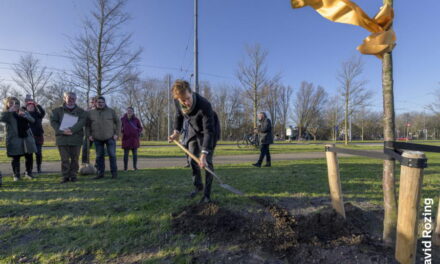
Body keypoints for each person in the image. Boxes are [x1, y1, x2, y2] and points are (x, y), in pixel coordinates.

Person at [168, 80, 220, 203]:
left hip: (209, 130)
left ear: (191, 92)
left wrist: (203, 154)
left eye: (187, 98)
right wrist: (176, 132)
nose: (186, 103)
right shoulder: (178, 101)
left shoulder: (204, 104)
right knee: (192, 160)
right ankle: (198, 186)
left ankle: (207, 195)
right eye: (182, 101)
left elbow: (208, 131)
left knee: (206, 162)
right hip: (194, 130)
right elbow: (179, 115)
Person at [50, 92, 87, 183]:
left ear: (76, 99)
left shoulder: (81, 111)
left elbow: (82, 122)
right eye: (69, 98)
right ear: (64, 98)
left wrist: (71, 130)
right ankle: (65, 176)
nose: (71, 100)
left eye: (73, 98)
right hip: (62, 138)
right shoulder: (56, 111)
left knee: (75, 158)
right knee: (64, 159)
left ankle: (73, 175)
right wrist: (62, 131)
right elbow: (53, 122)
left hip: (76, 138)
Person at [1, 97, 37, 181]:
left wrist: (25, 115)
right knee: (15, 158)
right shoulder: (7, 114)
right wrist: (9, 111)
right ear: (7, 104)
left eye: (16, 103)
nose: (14, 105)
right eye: (11, 103)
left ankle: (28, 173)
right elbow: (1, 118)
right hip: (14, 139)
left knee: (29, 156)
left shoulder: (24, 111)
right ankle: (16, 175)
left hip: (27, 138)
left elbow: (33, 120)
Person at [87, 96, 121, 179]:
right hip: (97, 138)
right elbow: (87, 125)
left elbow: (118, 122)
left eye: (102, 102)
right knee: (99, 157)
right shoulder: (91, 113)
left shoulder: (111, 111)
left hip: (110, 137)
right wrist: (89, 135)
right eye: (99, 102)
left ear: (105, 103)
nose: (100, 104)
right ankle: (100, 174)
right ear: (96, 103)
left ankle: (114, 174)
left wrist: (117, 133)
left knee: (112, 155)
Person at [25, 99, 46, 173]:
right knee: (29, 155)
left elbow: (43, 112)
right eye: (29, 106)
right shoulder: (24, 115)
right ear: (27, 107)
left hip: (38, 136)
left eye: (32, 106)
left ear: (34, 107)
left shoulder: (38, 115)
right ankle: (29, 169)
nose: (30, 107)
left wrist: (37, 105)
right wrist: (25, 106)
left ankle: (39, 168)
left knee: (38, 153)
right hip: (28, 137)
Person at [120, 106, 142, 171]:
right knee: (125, 155)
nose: (129, 112)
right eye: (128, 111)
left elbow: (140, 128)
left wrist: (138, 132)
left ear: (133, 112)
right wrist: (122, 131)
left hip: (134, 139)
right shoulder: (122, 119)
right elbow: (120, 127)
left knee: (135, 154)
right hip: (126, 139)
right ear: (126, 112)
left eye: (131, 111)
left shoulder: (136, 119)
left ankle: (135, 167)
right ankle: (125, 168)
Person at [81, 97, 97, 165]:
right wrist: (89, 135)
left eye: (94, 102)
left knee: (99, 151)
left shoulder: (101, 111)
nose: (93, 104)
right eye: (91, 102)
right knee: (85, 149)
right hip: (88, 134)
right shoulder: (87, 111)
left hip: (98, 134)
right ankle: (84, 164)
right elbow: (85, 124)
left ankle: (98, 165)